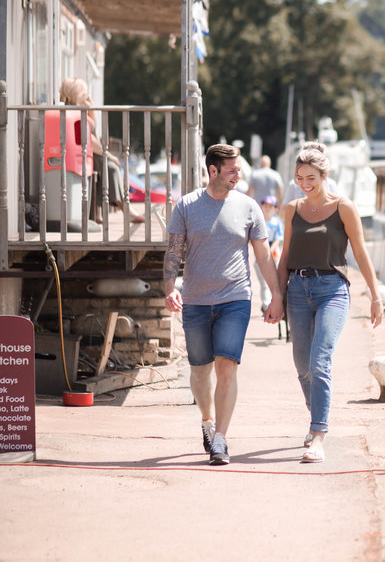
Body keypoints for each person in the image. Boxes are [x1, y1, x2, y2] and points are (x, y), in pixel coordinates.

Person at [164, 143, 284, 466]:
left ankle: (221, 439)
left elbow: (262, 255)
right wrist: (168, 288)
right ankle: (207, 420)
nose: (238, 175)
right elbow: (173, 253)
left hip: (236, 299)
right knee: (200, 373)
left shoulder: (249, 207)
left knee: (226, 368)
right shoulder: (187, 206)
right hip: (197, 301)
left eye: (239, 169)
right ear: (213, 171)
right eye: (232, 170)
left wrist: (276, 295)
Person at [276, 142, 383, 463]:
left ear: (324, 176)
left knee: (320, 361)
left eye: (311, 178)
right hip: (297, 290)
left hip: (333, 289)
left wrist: (376, 296)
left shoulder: (344, 208)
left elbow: (361, 253)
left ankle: (318, 434)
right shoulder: (292, 210)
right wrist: (276, 297)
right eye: (300, 179)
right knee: (302, 366)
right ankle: (317, 414)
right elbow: (284, 258)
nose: (305, 184)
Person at [58, 78, 144, 224]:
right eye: (84, 93)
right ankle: (126, 208)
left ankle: (101, 211)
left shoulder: (82, 110)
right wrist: (108, 155)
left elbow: (92, 133)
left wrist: (90, 109)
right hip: (82, 154)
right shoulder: (74, 113)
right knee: (110, 167)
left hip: (86, 153)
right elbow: (90, 139)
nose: (87, 95)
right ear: (77, 94)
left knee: (109, 165)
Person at [253, 194, 284, 313]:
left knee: (272, 280)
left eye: (270, 206)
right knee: (263, 282)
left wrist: (270, 250)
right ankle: (266, 304)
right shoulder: (259, 221)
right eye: (265, 206)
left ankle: (270, 303)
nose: (267, 208)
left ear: (275, 209)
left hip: (273, 255)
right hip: (260, 256)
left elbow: (278, 238)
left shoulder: (277, 223)